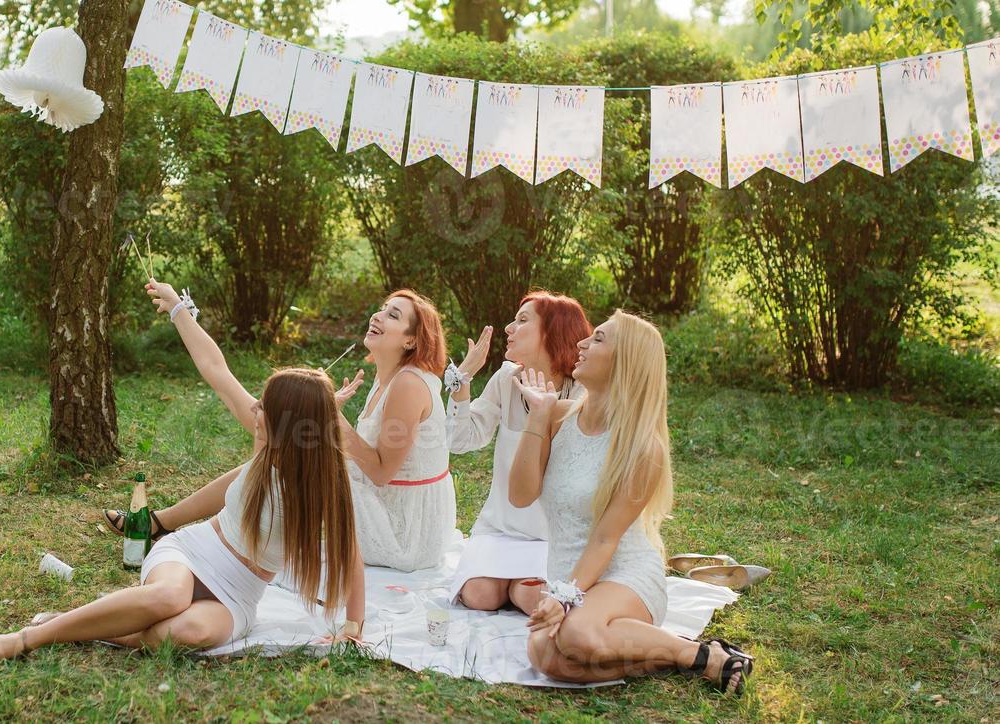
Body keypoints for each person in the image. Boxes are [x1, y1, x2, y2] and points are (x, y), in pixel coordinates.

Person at [0, 281, 364, 667]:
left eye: (265, 406)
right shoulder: (265, 442)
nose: (255, 408)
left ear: (289, 424)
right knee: (169, 597)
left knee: (190, 630)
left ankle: (91, 624)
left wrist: (351, 628)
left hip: (239, 594)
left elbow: (352, 559)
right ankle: (25, 638)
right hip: (194, 553)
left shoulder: (324, 485)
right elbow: (216, 369)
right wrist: (178, 309)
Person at [101, 289, 455, 572]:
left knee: (280, 442)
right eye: (382, 308)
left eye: (394, 315)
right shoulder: (387, 376)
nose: (378, 315)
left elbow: (381, 472)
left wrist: (332, 419)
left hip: (404, 532)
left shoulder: (408, 384)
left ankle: (165, 525)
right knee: (278, 437)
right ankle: (163, 523)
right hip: (385, 501)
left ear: (411, 341)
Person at [512, 311, 755, 694]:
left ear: (626, 362)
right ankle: (672, 658)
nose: (582, 344)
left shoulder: (643, 447)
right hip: (571, 574)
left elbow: (605, 540)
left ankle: (703, 656)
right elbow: (520, 494)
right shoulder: (557, 415)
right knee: (547, 659)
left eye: (598, 339)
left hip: (623, 574)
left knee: (576, 636)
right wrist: (538, 417)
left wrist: (561, 596)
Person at [444, 292, 592, 614]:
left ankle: (521, 584)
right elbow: (460, 440)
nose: (509, 327)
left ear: (554, 332)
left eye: (523, 320)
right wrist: (462, 380)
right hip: (500, 527)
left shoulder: (583, 392)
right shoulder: (506, 378)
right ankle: (507, 581)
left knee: (530, 599)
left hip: (552, 535)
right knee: (481, 596)